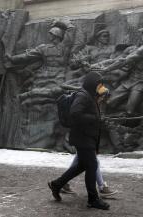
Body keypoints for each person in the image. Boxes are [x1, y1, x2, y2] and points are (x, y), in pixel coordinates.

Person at [48, 71, 110, 210]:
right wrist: (95, 119)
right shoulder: (83, 96)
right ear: (92, 84)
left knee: (82, 166)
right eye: (99, 84)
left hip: (85, 137)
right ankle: (93, 199)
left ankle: (56, 184)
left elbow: (88, 114)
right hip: (82, 138)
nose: (100, 87)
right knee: (92, 166)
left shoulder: (90, 96)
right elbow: (75, 113)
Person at [61, 88, 117, 198]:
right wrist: (96, 120)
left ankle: (63, 183)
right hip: (82, 138)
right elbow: (83, 119)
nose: (103, 100)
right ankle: (102, 187)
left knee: (78, 161)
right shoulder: (87, 101)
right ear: (98, 95)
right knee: (94, 162)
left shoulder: (94, 102)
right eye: (103, 97)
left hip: (86, 139)